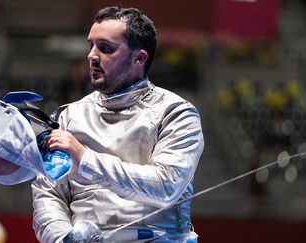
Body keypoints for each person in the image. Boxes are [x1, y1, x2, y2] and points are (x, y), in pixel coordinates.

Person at [31, 6, 204, 242]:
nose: (92, 55)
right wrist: (62, 238)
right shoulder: (69, 116)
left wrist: (84, 158)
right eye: (90, 45)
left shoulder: (176, 113)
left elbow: (166, 185)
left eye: (105, 48)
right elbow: (48, 192)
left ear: (139, 57)